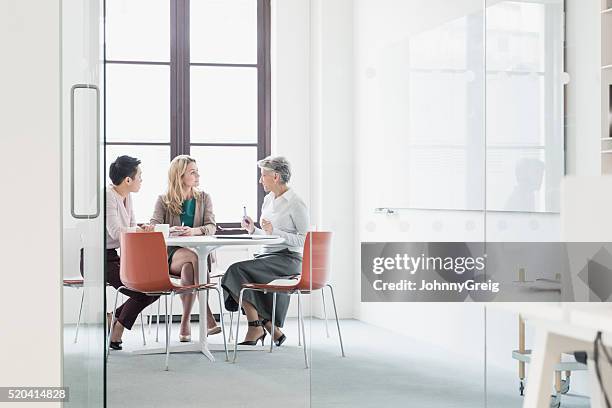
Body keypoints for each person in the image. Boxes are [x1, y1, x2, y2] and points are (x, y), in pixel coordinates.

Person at [222, 156, 308, 346]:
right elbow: (269, 235)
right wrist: (253, 229)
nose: (260, 180)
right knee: (237, 276)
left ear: (275, 177)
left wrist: (274, 231)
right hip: (267, 256)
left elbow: (304, 240)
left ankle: (256, 326)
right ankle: (267, 326)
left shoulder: (295, 203)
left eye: (263, 175)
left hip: (288, 259)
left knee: (235, 272)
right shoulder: (268, 200)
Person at [150, 155, 220, 342]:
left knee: (190, 267)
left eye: (197, 171)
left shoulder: (204, 198)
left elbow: (211, 226)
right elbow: (153, 227)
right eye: (192, 172)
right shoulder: (163, 200)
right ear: (180, 176)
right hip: (173, 255)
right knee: (194, 258)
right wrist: (171, 230)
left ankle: (185, 321)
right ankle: (207, 315)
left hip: (199, 254)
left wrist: (194, 231)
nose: (198, 175)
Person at [106, 155, 159, 350]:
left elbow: (130, 226)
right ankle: (117, 328)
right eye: (140, 177)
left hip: (116, 257)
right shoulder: (108, 196)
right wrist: (137, 230)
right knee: (144, 291)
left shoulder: (126, 196)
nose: (141, 181)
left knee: (154, 287)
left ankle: (115, 319)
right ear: (128, 180)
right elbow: (116, 231)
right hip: (99, 259)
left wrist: (140, 228)